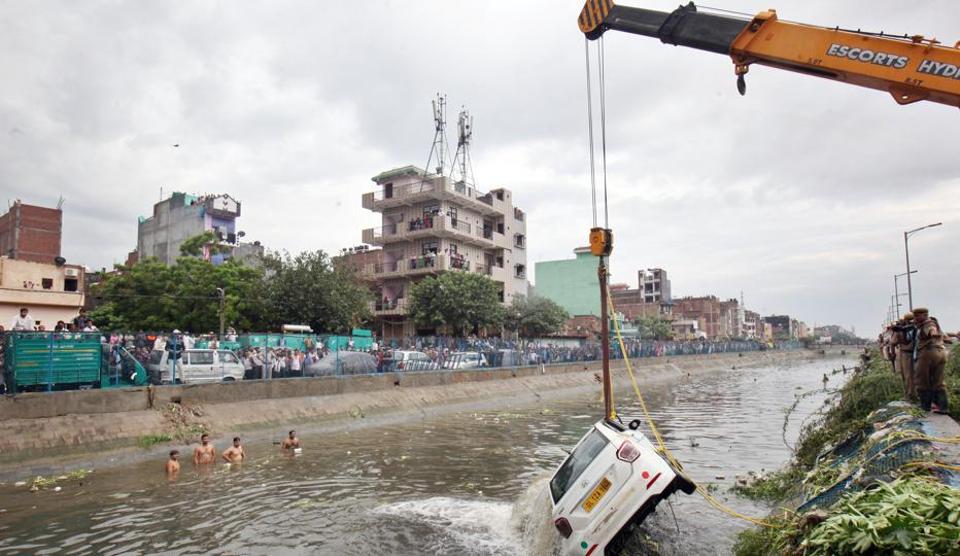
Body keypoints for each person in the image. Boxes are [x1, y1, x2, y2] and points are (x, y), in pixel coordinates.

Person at [913, 308, 949, 413]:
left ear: (924, 315)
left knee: (921, 380)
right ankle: (943, 407)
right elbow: (945, 337)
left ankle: (925, 406)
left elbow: (931, 330)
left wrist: (933, 334)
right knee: (939, 381)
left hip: (928, 353)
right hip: (941, 352)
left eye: (917, 316)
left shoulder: (928, 323)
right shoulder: (934, 323)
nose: (915, 318)